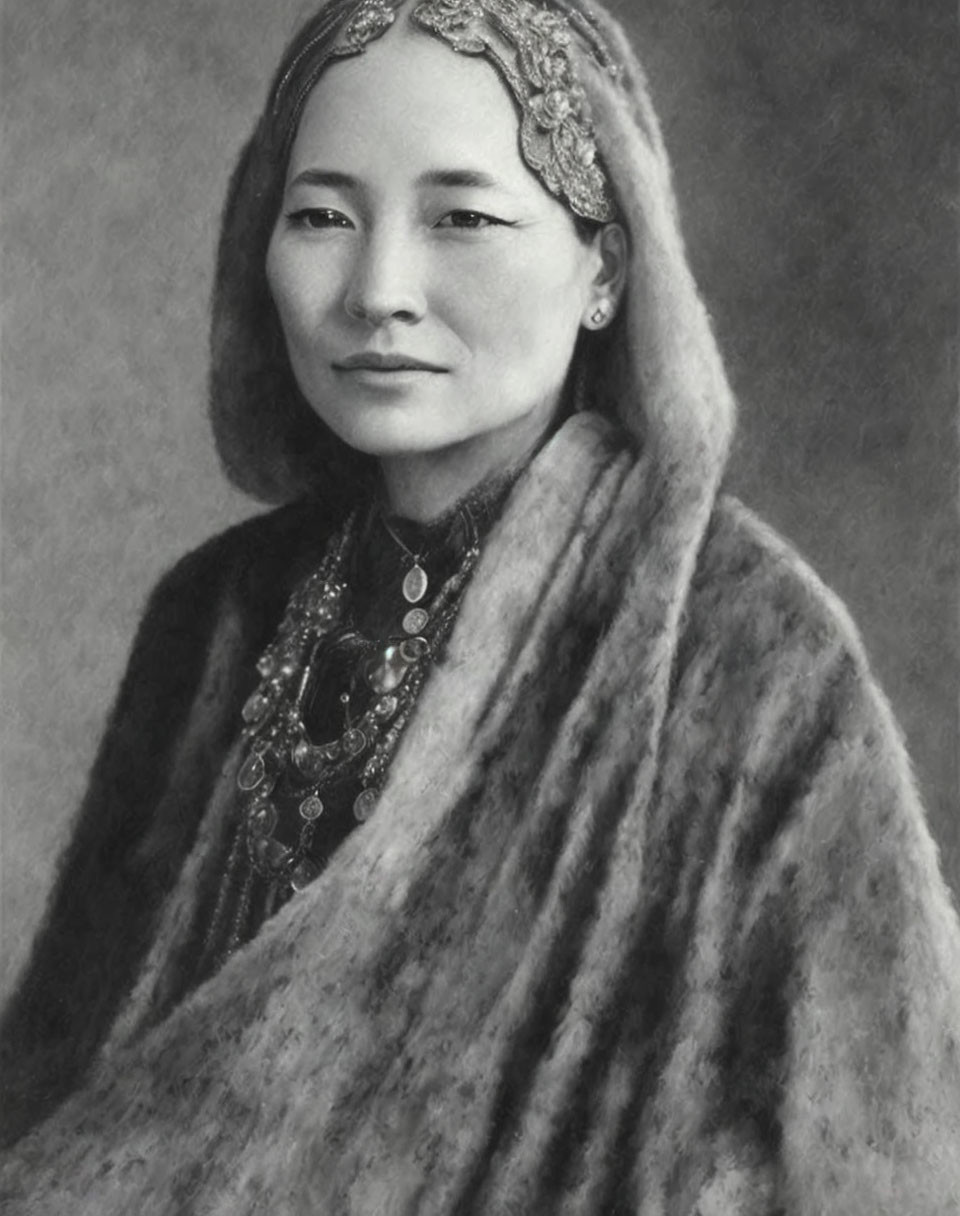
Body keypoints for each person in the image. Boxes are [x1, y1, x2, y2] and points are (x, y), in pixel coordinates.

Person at [2, 0, 958, 1211]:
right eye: (322, 217)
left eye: (461, 217)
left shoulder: (754, 654)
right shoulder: (213, 617)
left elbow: (877, 1154)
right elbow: (54, 1084)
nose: (377, 289)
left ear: (604, 265)